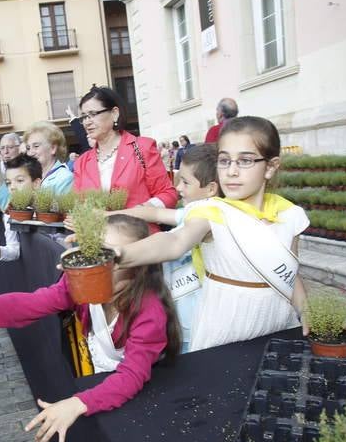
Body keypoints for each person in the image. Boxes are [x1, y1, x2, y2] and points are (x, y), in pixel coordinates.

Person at [0, 214, 180, 442]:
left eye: (110, 255)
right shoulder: (81, 284)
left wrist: (76, 404)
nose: (97, 262)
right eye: (93, 251)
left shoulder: (149, 310)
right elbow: (31, 304)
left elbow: (132, 375)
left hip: (143, 396)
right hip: (103, 386)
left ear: (136, 263)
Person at [116, 116, 309, 351]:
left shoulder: (290, 215)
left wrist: (306, 311)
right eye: (224, 161)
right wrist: (117, 254)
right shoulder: (211, 211)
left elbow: (290, 273)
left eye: (245, 161)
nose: (231, 171)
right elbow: (174, 241)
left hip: (280, 327)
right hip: (225, 333)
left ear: (270, 167)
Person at [110, 144, 220, 352]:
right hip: (186, 318)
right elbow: (154, 214)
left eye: (186, 182)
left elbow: (173, 243)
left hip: (197, 320)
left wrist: (119, 254)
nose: (178, 188)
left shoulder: (207, 212)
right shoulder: (191, 211)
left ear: (211, 189)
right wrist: (110, 217)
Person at [72, 85, 178, 231]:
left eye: (93, 114)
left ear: (114, 113)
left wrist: (141, 211)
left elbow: (168, 194)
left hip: (141, 239)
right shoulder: (82, 162)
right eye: (84, 117)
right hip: (99, 243)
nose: (87, 122)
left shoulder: (142, 148)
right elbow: (78, 205)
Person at [0, 154, 43, 262]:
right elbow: (14, 250)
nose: (12, 187)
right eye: (8, 183)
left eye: (20, 181)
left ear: (36, 183)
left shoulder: (51, 208)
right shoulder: (9, 214)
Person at [24, 121, 74, 195]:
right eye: (28, 148)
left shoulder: (65, 178)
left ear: (53, 148)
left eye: (36, 146)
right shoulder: (29, 177)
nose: (31, 153)